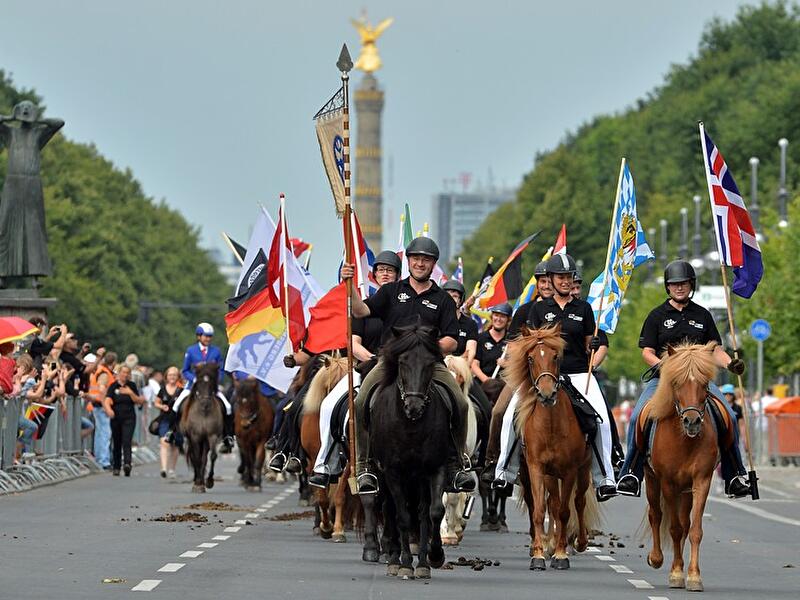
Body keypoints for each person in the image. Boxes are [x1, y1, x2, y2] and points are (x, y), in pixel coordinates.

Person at [342, 236, 473, 495]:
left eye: (425, 259)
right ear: (408, 262)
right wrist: (349, 286)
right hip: (390, 362)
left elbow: (451, 339)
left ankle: (457, 464)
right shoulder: (391, 291)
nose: (420, 263)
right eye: (415, 258)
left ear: (433, 264)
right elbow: (360, 311)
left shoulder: (443, 299)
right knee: (359, 402)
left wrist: (426, 346)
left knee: (460, 403)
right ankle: (365, 466)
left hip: (430, 363)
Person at [616, 260, 750, 498]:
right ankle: (631, 473)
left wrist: (730, 363)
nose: (679, 288)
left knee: (728, 415)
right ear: (668, 287)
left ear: (691, 285)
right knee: (639, 415)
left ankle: (735, 475)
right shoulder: (657, 316)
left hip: (698, 382)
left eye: (684, 284)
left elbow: (714, 349)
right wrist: (664, 366)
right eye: (674, 284)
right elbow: (647, 351)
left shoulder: (703, 315)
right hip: (664, 381)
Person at [493, 254, 618, 501]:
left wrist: (592, 344)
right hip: (543, 376)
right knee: (510, 417)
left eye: (568, 277)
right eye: (560, 277)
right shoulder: (539, 309)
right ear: (550, 279)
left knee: (601, 420)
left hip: (579, 372)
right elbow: (529, 344)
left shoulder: (584, 309)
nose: (564, 281)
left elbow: (587, 345)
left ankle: (605, 477)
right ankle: (504, 473)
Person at [306, 250, 400, 488]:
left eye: (390, 270)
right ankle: (325, 463)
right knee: (328, 405)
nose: (385, 274)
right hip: (367, 366)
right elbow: (353, 344)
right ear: (374, 275)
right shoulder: (367, 306)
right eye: (381, 270)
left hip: (402, 367)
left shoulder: (405, 304)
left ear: (398, 275)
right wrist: (374, 359)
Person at [172, 323, 234, 451]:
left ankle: (227, 436)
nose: (208, 339)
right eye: (205, 336)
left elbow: (221, 369)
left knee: (227, 407)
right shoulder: (191, 350)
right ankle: (173, 432)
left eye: (210, 336)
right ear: (199, 336)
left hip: (211, 387)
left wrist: (216, 380)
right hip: (193, 386)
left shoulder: (216, 351)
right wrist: (194, 379)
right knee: (176, 405)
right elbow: (185, 370)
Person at [104, 365, 145, 476]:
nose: (125, 375)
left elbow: (139, 401)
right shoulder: (113, 386)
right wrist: (108, 410)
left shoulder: (132, 386)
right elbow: (107, 399)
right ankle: (116, 466)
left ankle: (127, 464)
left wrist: (130, 393)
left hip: (129, 417)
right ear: (119, 373)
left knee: (127, 441)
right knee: (117, 442)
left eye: (127, 373)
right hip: (116, 417)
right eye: (123, 372)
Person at [508, 261, 553, 338]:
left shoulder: (563, 309)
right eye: (543, 281)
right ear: (537, 284)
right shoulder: (523, 311)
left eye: (550, 282)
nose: (546, 286)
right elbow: (511, 341)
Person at [87, 351, 116, 469]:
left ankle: (100, 459)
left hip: (97, 405)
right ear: (113, 363)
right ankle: (103, 460)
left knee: (100, 434)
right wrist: (106, 407)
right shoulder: (104, 374)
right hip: (101, 406)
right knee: (105, 434)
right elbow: (102, 390)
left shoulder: (102, 371)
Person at [154, 366, 183, 478]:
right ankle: (164, 468)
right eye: (170, 375)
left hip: (177, 421)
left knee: (175, 445)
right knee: (164, 442)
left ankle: (172, 469)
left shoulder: (181, 391)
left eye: (174, 375)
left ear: (178, 377)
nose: (172, 377)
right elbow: (156, 402)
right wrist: (162, 406)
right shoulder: (162, 389)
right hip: (165, 419)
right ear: (166, 376)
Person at [471, 303, 512, 383]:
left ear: (508, 320)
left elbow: (518, 366)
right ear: (492, 317)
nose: (499, 319)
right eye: (496, 315)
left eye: (503, 316)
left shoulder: (511, 341)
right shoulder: (481, 338)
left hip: (503, 385)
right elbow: (474, 364)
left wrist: (507, 365)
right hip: (482, 384)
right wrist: (486, 380)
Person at [442, 280, 479, 365]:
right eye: (448, 296)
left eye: (455, 296)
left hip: (460, 367)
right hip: (438, 365)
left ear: (460, 300)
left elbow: (470, 352)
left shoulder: (470, 324)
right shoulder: (435, 321)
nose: (450, 299)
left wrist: (458, 366)